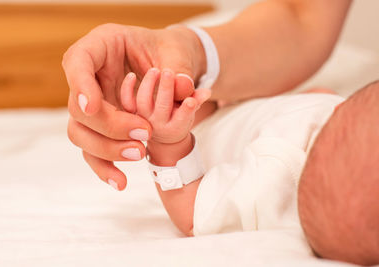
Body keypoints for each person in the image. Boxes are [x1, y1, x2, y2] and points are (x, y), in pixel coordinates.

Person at [62, 0, 379, 265]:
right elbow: (301, 16)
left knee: (165, 103)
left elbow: (195, 215)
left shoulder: (271, 181)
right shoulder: (342, 132)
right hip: (291, 105)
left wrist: (170, 146)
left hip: (206, 128)